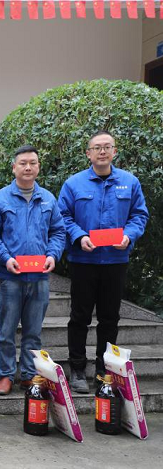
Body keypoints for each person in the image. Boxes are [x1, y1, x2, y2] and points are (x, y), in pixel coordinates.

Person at [57, 130, 148, 392]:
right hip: (83, 260)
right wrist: (79, 236)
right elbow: (63, 216)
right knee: (79, 317)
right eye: (97, 147)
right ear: (88, 153)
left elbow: (139, 215)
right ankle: (77, 369)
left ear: (114, 151)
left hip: (115, 260)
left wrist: (129, 236)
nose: (102, 151)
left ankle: (104, 371)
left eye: (107, 147)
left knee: (110, 318)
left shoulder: (129, 182)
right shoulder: (74, 184)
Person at [0, 145, 66, 396]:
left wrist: (52, 255)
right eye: (23, 163)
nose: (28, 167)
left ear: (38, 167)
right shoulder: (0, 199)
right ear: (14, 167)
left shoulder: (48, 199)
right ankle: (6, 375)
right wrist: (6, 258)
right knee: (6, 331)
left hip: (40, 277)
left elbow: (58, 231)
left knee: (33, 331)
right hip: (11, 276)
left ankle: (29, 375)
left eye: (32, 163)